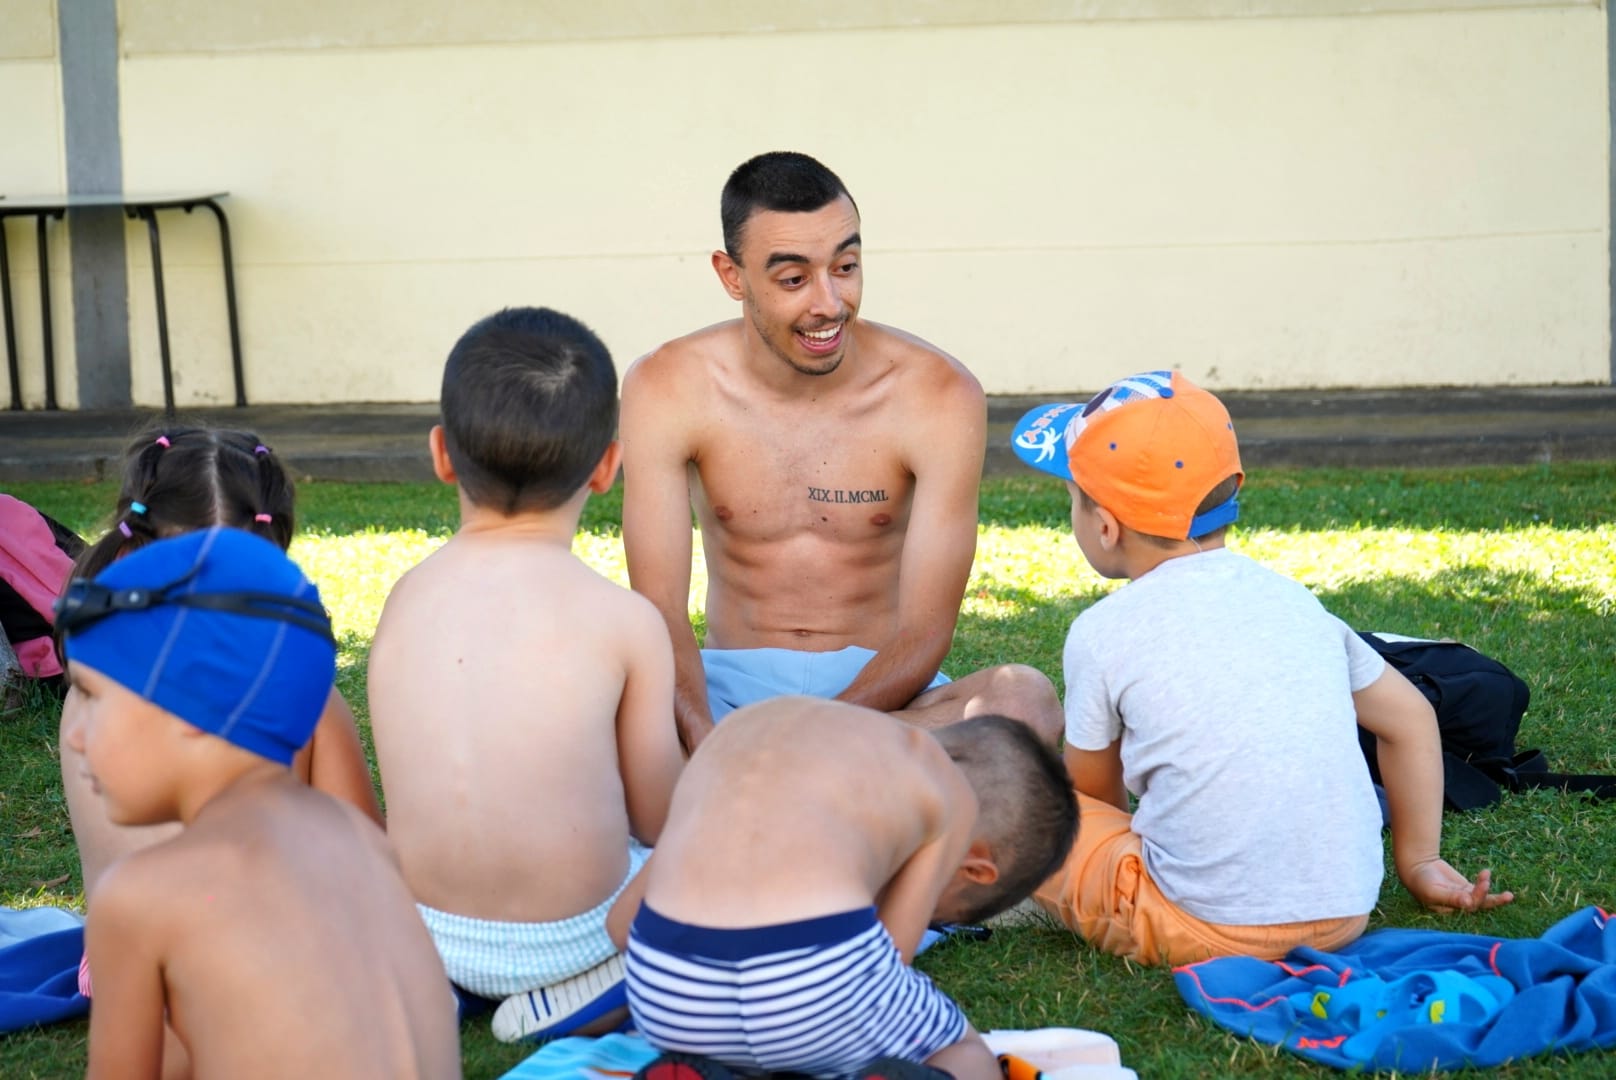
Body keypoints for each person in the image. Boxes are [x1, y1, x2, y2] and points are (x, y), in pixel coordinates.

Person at [1009, 370, 1514, 967]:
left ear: (1104, 526)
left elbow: (1093, 802)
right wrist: (1421, 861)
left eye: (1072, 496)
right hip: (1344, 913)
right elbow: (1409, 719)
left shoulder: (1100, 633)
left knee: (1024, 808)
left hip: (1194, 925)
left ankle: (1007, 896)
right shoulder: (1296, 601)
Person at [621, 150, 1062, 753]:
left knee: (1021, 701)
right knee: (584, 702)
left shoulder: (937, 393)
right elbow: (659, 614)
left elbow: (927, 629)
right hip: (726, 689)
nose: (829, 304)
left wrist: (806, 737)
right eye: (793, 279)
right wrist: (703, 734)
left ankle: (773, 779)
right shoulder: (667, 386)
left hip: (883, 699)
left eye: (846, 266)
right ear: (732, 276)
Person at [368, 306, 682, 1043]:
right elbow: (660, 821)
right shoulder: (626, 622)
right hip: (584, 934)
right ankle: (600, 987)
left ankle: (443, 993)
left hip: (427, 930)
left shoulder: (405, 597)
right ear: (608, 465)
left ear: (442, 454)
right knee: (723, 824)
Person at [59, 526, 460, 1079]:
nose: (76, 734)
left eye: (92, 698)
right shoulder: (358, 838)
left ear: (190, 711)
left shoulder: (142, 897)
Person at [56, 426, 383, 994]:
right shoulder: (297, 692)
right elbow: (369, 871)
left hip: (113, 969)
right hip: (254, 961)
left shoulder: (90, 688)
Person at [607, 695, 1078, 1080]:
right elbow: (890, 960)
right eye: (940, 914)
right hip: (819, 984)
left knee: (752, 1047)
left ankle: (700, 1072)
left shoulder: (744, 726)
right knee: (963, 1050)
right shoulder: (947, 791)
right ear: (975, 868)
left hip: (669, 991)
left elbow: (622, 923)